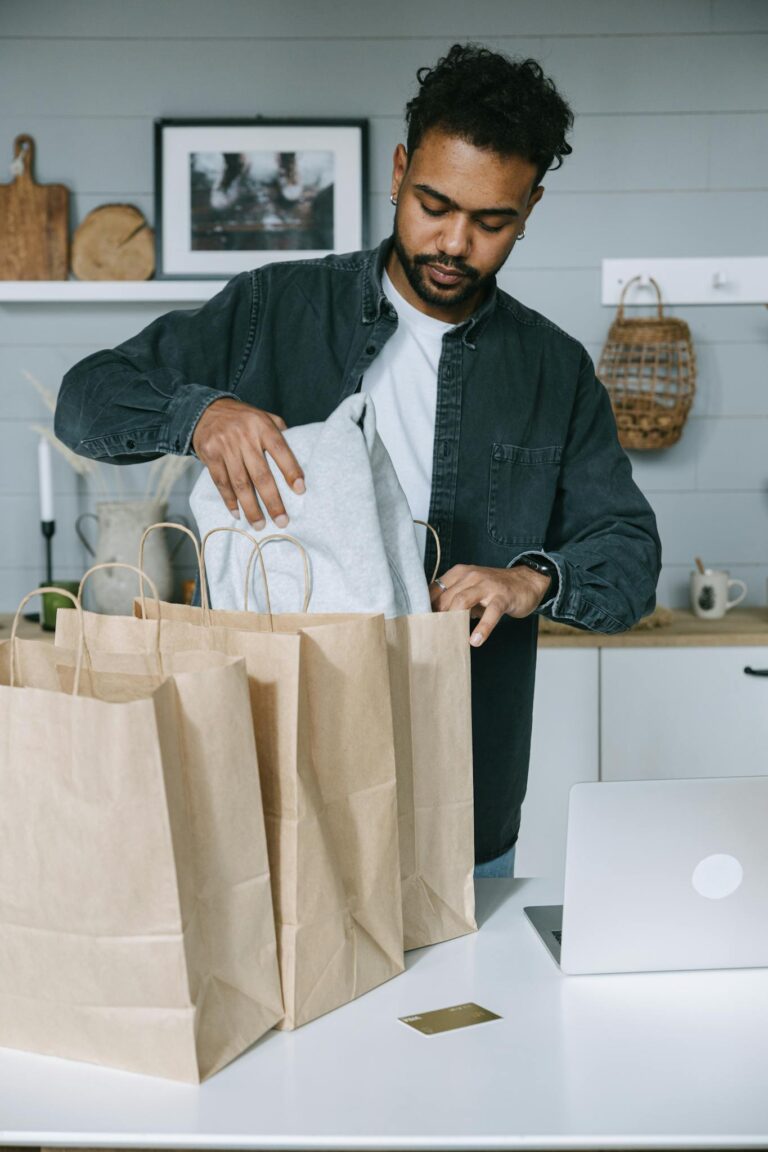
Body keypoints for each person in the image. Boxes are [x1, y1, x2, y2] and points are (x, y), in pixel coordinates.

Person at [55, 43, 661, 876]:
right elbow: (85, 400)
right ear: (399, 170)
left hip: (463, 792)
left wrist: (533, 581)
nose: (455, 242)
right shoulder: (275, 306)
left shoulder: (554, 370)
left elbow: (628, 559)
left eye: (493, 222)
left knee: (469, 1007)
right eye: (434, 204)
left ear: (532, 207)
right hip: (271, 774)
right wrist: (200, 414)